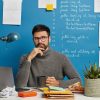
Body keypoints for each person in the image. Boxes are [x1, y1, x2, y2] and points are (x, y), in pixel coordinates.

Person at [15, 24, 81, 88]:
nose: (40, 41)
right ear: (33, 40)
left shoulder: (61, 58)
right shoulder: (25, 57)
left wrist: (58, 83)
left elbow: (78, 81)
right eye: (36, 38)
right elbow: (19, 86)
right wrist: (29, 59)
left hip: (53, 96)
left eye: (43, 37)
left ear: (49, 39)